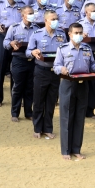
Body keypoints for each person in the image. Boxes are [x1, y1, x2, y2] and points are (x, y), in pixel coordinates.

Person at [53, 23, 95, 160]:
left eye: (80, 32)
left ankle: (76, 149)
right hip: (68, 84)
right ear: (70, 34)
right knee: (67, 117)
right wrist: (62, 70)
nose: (79, 35)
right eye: (76, 33)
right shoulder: (63, 49)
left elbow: (91, 65)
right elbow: (56, 66)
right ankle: (66, 151)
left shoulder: (86, 48)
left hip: (83, 85)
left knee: (79, 118)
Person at [27, 10, 66, 138]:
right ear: (46, 21)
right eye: (52, 19)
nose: (55, 21)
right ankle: (37, 129)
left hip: (55, 72)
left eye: (56, 18)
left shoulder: (61, 34)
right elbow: (28, 51)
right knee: (38, 100)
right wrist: (33, 52)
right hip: (41, 71)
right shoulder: (37, 34)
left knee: (51, 101)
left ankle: (48, 128)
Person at [4, 6, 39, 122]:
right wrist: (11, 43)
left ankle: (28, 112)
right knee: (18, 87)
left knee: (30, 87)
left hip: (33, 61)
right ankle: (15, 113)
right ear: (22, 15)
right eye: (29, 13)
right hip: (19, 60)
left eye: (32, 13)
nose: (31, 15)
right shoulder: (14, 28)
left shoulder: (37, 29)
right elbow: (5, 43)